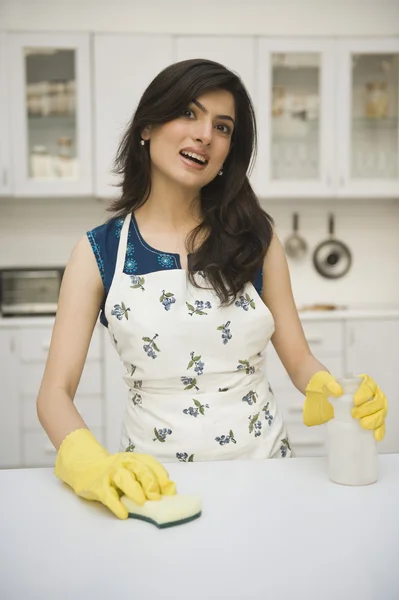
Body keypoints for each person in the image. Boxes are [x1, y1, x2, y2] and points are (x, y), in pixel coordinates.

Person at [36, 58, 388, 519]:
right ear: (147, 127)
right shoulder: (100, 252)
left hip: (266, 478)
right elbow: (54, 393)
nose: (205, 134)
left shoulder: (257, 240)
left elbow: (299, 359)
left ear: (228, 151)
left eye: (222, 127)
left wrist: (335, 391)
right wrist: (90, 463)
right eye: (189, 113)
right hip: (153, 490)